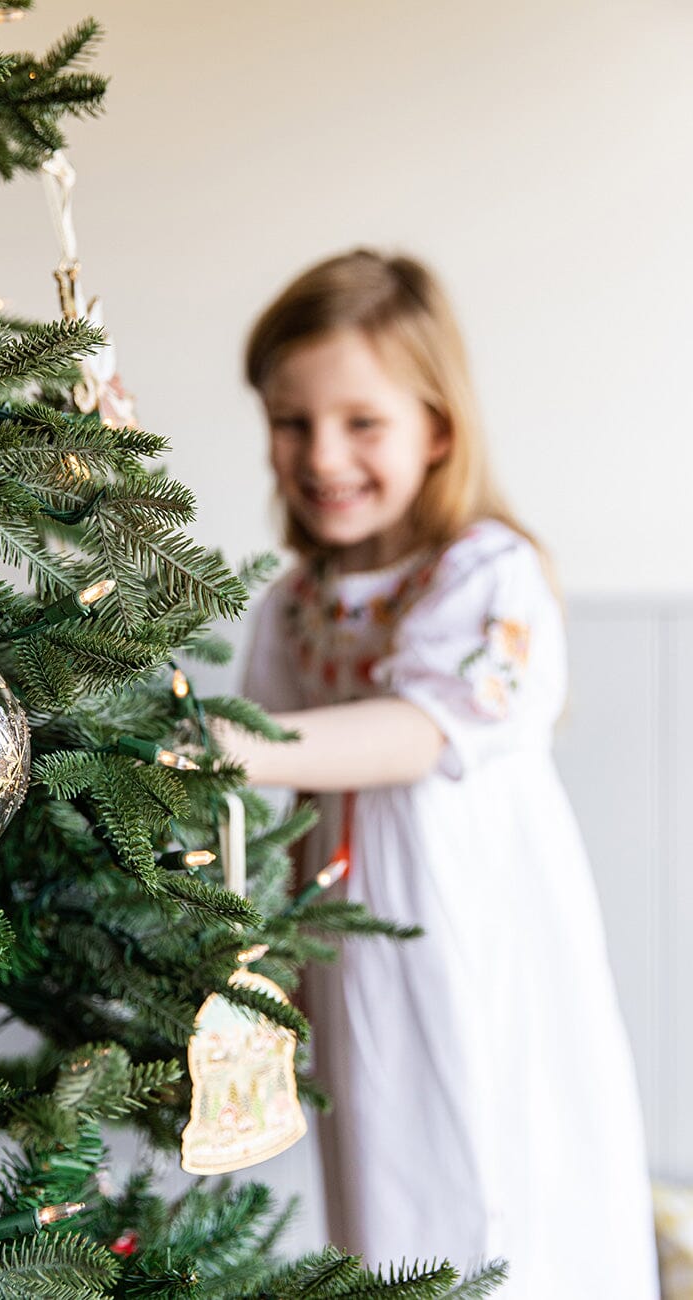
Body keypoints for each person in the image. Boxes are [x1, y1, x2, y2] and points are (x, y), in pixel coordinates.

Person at [221, 249, 660, 1297]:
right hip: (345, 950)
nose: (323, 454)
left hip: (473, 939)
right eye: (292, 422)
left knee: (499, 1177)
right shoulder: (292, 603)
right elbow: (285, 796)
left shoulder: (488, 572)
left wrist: (235, 741)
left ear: (437, 428)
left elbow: (417, 733)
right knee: (383, 1189)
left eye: (361, 422)